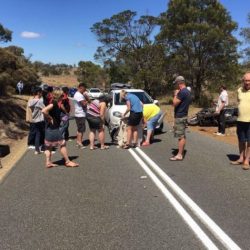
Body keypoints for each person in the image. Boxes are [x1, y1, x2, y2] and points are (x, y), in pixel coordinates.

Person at [42, 89, 79, 168]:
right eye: (62, 95)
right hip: (53, 129)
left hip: (49, 129)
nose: (63, 97)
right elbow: (44, 110)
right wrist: (50, 118)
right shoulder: (54, 103)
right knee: (62, 144)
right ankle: (67, 161)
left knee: (49, 146)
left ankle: (48, 162)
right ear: (59, 96)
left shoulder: (55, 103)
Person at [231, 72, 250, 170]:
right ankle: (241, 158)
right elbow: (239, 102)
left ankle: (247, 161)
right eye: (246, 80)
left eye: (249, 80)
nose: (247, 82)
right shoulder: (239, 90)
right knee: (241, 140)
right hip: (240, 120)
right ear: (243, 81)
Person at [170, 76, 192, 161]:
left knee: (181, 136)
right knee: (182, 135)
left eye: (176, 83)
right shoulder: (187, 91)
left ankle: (179, 155)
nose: (176, 85)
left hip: (180, 116)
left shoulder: (182, 92)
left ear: (179, 83)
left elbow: (174, 103)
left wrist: (176, 94)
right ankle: (180, 152)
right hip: (183, 115)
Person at [28, 87, 45, 154]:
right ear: (38, 92)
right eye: (41, 92)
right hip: (40, 120)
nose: (41, 94)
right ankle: (41, 148)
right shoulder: (39, 101)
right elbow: (45, 109)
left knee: (37, 134)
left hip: (34, 119)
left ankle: (37, 149)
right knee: (41, 134)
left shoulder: (31, 101)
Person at [73, 83, 89, 149]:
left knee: (79, 129)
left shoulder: (78, 94)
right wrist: (87, 99)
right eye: (84, 89)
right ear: (81, 88)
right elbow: (84, 104)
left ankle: (78, 141)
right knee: (81, 130)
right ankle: (80, 143)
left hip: (78, 113)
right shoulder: (79, 95)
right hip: (80, 114)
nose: (84, 91)